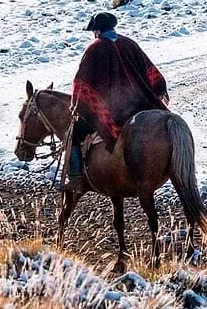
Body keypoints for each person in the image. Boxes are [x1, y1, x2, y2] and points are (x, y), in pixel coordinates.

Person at [65, 12, 168, 191]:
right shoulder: (129, 43)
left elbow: (82, 83)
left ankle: (75, 177)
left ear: (97, 31)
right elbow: (150, 71)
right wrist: (158, 90)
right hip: (143, 104)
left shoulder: (94, 49)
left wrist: (78, 105)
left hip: (114, 111)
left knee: (74, 134)